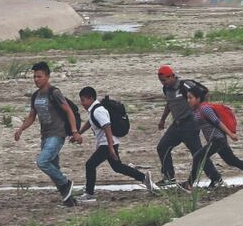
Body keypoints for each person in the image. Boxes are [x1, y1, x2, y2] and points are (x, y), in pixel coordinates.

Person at [14, 61, 82, 206]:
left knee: (42, 162)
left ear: (47, 76)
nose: (36, 79)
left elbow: (68, 111)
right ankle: (69, 200)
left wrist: (74, 131)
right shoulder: (35, 96)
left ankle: (66, 183)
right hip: (45, 136)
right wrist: (21, 128)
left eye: (39, 76)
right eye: (34, 77)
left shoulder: (54, 93)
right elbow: (32, 116)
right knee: (54, 169)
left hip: (57, 134)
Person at [75, 87, 153, 203]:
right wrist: (78, 133)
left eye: (83, 100)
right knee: (118, 167)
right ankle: (144, 178)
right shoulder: (94, 110)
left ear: (91, 98)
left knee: (90, 165)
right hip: (109, 143)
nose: (82, 103)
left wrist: (110, 147)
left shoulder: (98, 111)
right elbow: (90, 122)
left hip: (107, 144)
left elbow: (107, 127)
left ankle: (89, 194)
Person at [184, 86, 243, 187]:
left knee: (198, 157)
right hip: (215, 140)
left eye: (190, 98)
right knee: (231, 160)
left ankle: (190, 184)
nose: (188, 100)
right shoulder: (196, 110)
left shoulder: (205, 108)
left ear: (198, 98)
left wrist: (231, 135)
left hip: (217, 139)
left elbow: (218, 122)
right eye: (187, 98)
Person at [155, 65, 204, 187]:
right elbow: (169, 103)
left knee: (198, 153)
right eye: (161, 81)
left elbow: (204, 93)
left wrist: (201, 111)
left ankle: (215, 178)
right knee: (162, 147)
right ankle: (168, 176)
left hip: (190, 123)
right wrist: (162, 120)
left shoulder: (185, 85)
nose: (163, 83)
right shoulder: (166, 89)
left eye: (164, 80)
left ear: (172, 76)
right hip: (177, 125)